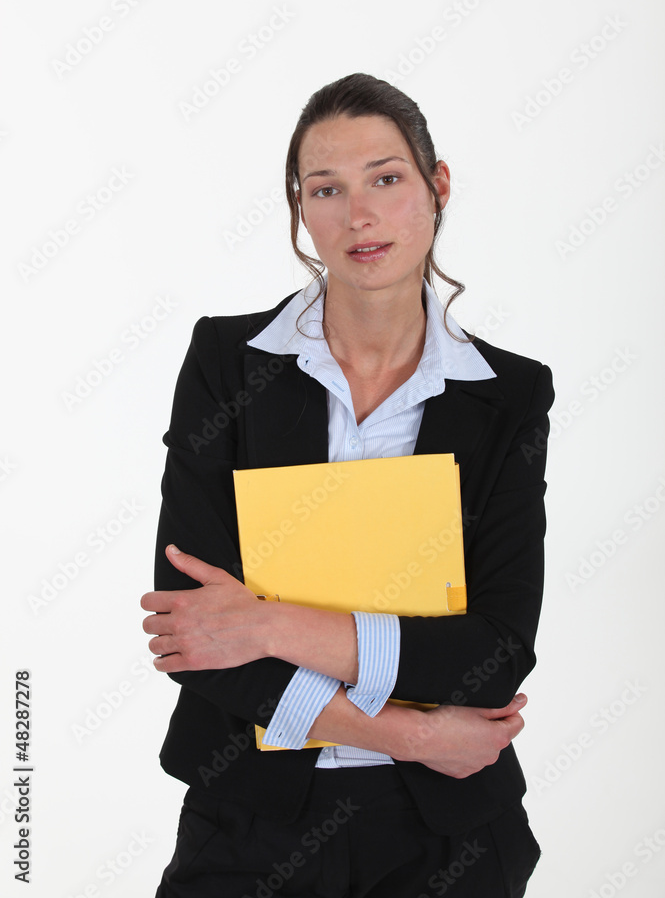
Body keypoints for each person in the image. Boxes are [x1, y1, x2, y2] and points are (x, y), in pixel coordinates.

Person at [141, 72, 554, 897]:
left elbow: (491, 657)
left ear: (436, 187)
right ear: (300, 209)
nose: (357, 215)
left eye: (386, 179)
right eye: (325, 189)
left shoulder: (506, 395)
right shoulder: (229, 364)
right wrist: (415, 733)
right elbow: (196, 639)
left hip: (449, 838)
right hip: (248, 823)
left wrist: (269, 623)